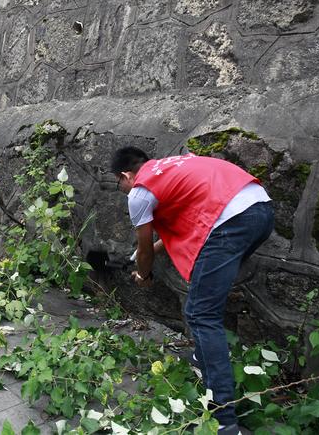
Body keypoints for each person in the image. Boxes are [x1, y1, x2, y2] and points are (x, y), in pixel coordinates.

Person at [111, 147, 274, 435]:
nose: (122, 189)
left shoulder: (139, 192)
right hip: (260, 211)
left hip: (229, 223)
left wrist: (144, 275)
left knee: (201, 313)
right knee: (204, 296)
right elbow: (159, 241)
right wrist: (145, 254)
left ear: (126, 175)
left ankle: (224, 421)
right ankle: (203, 357)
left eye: (119, 183)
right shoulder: (176, 164)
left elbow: (145, 247)